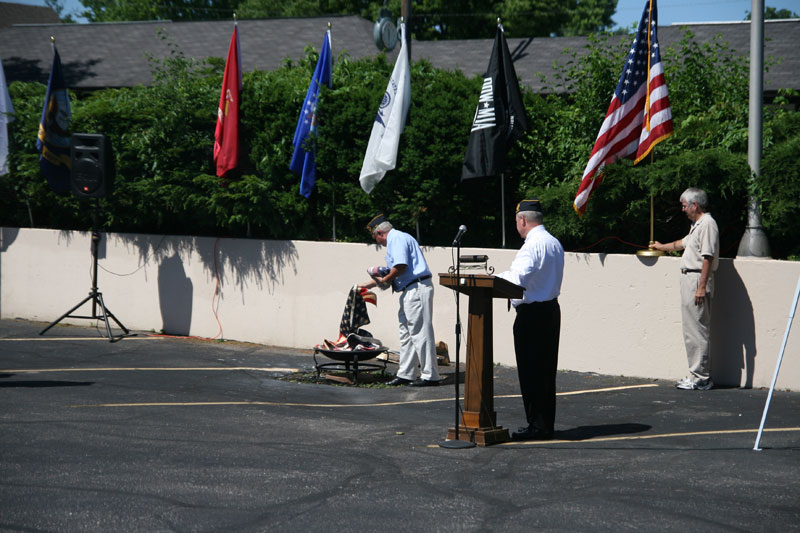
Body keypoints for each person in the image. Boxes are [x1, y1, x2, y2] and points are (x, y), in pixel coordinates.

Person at [496, 199, 564, 441]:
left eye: (516, 222)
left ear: (522, 220)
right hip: (550, 311)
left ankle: (536, 425)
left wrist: (493, 277)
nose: (517, 226)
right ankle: (545, 424)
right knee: (545, 372)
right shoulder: (554, 242)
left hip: (532, 315)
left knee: (531, 371)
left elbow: (517, 279)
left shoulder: (532, 245)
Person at [650, 188, 720, 390]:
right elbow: (684, 243)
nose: (683, 209)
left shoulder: (707, 224)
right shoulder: (698, 225)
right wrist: (661, 247)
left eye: (684, 205)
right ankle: (697, 374)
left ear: (694, 205)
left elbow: (707, 257)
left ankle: (701, 377)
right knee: (692, 329)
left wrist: (701, 287)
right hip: (691, 278)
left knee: (697, 329)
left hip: (697, 278)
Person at [361, 214, 441, 387]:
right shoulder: (399, 238)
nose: (378, 243)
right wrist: (365, 286)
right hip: (410, 289)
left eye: (376, 239)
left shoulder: (395, 239)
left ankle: (430, 376)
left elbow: (400, 267)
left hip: (416, 288)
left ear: (380, 233)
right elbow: (394, 270)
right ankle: (406, 373)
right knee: (407, 334)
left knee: (420, 332)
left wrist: (386, 279)